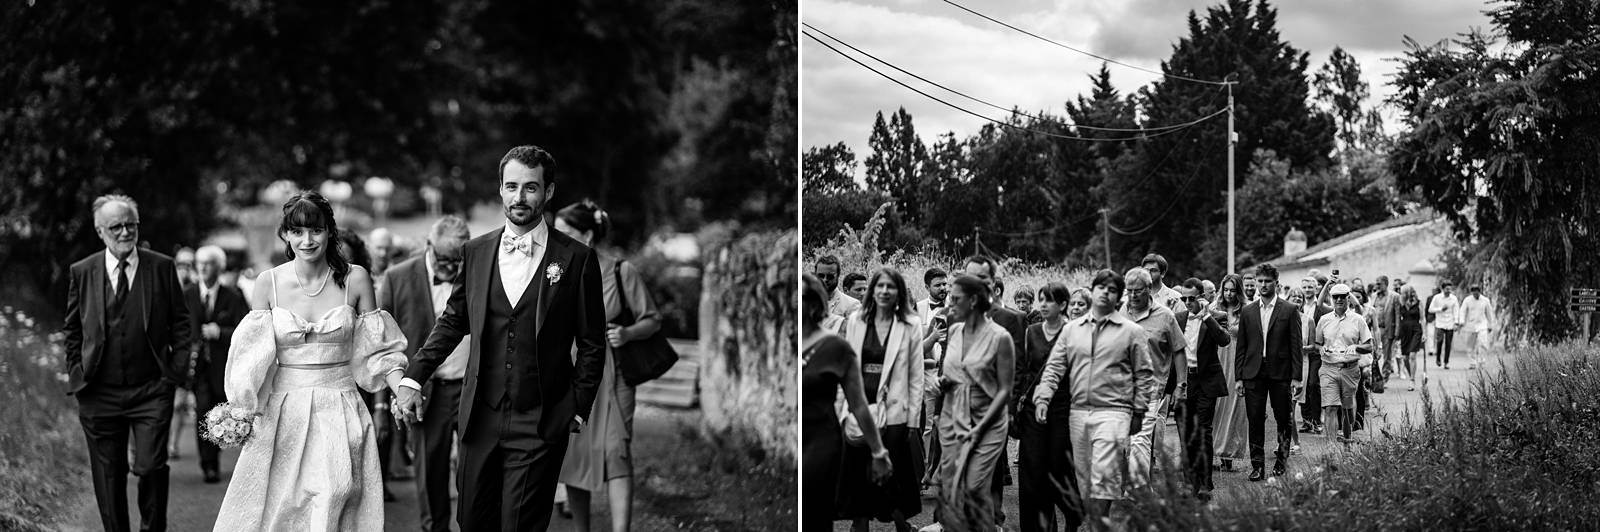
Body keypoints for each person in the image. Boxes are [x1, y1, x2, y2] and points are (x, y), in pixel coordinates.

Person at [393, 145, 608, 531]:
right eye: (511, 187)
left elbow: (592, 341)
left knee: (520, 526)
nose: (519, 197)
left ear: (549, 192)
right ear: (501, 190)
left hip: (540, 419)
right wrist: (413, 376)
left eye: (530, 187)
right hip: (480, 417)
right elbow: (452, 322)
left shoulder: (576, 259)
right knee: (473, 520)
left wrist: (576, 406)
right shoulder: (475, 252)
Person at [213, 191, 409, 530]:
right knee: (285, 507)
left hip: (340, 408)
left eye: (316, 230)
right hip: (283, 413)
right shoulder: (268, 283)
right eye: (298, 231)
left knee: (336, 491)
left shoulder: (356, 278)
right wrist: (240, 410)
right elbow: (251, 357)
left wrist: (402, 389)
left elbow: (377, 350)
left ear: (329, 232)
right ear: (286, 235)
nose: (307, 239)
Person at [63, 195, 192, 532]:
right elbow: (72, 328)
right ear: (100, 231)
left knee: (149, 467)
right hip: (98, 392)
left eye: (130, 225)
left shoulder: (161, 267)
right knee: (108, 476)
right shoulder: (83, 271)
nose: (124, 232)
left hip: (151, 390)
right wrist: (77, 373)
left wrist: (174, 372)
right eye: (116, 227)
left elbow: (181, 322)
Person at [553, 200, 664, 532]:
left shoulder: (620, 271)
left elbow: (653, 319)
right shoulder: (555, 271)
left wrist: (627, 333)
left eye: (565, 234)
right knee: (574, 454)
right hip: (570, 373)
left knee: (617, 451)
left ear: (586, 235)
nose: (557, 241)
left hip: (613, 374)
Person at [1033, 269, 1155, 528]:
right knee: (1085, 480)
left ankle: (1097, 525)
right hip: (1078, 412)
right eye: (1101, 287)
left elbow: (1144, 375)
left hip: (1114, 411)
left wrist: (1139, 411)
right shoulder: (1072, 330)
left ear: (1118, 298)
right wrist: (1043, 397)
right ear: (1093, 290)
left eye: (1112, 290)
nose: (1105, 293)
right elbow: (1055, 366)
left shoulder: (1131, 332)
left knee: (1105, 475)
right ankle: (1095, 521)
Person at [379, 216, 472, 532]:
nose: (451, 267)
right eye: (445, 259)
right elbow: (380, 344)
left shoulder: (479, 271)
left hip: (474, 386)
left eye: (457, 260)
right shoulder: (396, 278)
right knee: (430, 473)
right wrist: (386, 401)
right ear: (429, 246)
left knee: (478, 471)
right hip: (424, 392)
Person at [920, 275, 1015, 532]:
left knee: (974, 486)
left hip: (988, 421)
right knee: (953, 487)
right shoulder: (954, 330)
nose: (950, 305)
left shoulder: (1000, 337)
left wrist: (980, 426)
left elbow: (1005, 389)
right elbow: (950, 372)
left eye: (956, 299)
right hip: (955, 416)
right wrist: (942, 390)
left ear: (974, 301)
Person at [802, 273, 892, 532]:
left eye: (802, 297)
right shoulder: (788, 343)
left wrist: (878, 451)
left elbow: (859, 404)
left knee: (814, 516)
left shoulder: (836, 347)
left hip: (820, 444)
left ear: (815, 302)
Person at [837, 267, 924, 532]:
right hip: (859, 408)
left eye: (891, 287)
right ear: (872, 291)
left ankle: (901, 523)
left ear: (899, 292)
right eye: (880, 286)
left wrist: (913, 421)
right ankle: (859, 524)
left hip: (895, 409)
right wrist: (841, 410)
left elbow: (916, 376)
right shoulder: (856, 322)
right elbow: (846, 368)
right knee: (858, 472)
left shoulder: (911, 325)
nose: (885, 291)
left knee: (892, 471)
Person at [959, 255, 1024, 522]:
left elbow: (1018, 369)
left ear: (992, 283)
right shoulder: (955, 316)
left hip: (993, 408)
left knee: (991, 471)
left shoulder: (1010, 319)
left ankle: (994, 520)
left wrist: (1009, 410)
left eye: (982, 278)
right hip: (959, 407)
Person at [1014, 283, 1082, 532]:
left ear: (1063, 305)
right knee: (1032, 473)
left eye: (1048, 300)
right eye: (1040, 300)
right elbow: (1021, 372)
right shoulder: (1030, 331)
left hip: (1064, 409)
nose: (1042, 305)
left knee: (1058, 468)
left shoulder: (1075, 332)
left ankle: (1074, 513)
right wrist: (1015, 407)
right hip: (1033, 410)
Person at [184, 245, 248, 484]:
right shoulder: (187, 295)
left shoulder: (233, 296)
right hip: (197, 367)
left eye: (208, 263)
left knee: (218, 412)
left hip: (223, 368)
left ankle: (216, 452)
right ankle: (208, 465)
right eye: (199, 263)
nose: (202, 268)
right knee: (202, 410)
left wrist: (219, 332)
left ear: (219, 267)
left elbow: (245, 331)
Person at [1234, 263, 1303, 482]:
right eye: (1260, 281)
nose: (1263, 285)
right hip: (1253, 372)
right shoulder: (1248, 311)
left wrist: (1296, 377)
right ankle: (1257, 466)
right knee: (1255, 419)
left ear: (1276, 283)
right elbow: (1242, 347)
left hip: (1281, 373)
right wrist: (1238, 377)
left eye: (1267, 281)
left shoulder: (1289, 310)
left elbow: (1296, 346)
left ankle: (1281, 461)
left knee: (1283, 418)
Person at [1122, 267, 1186, 491]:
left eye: (1138, 290)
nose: (1132, 295)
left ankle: (1139, 491)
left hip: (1150, 388)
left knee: (1140, 439)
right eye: (1129, 290)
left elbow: (1178, 350)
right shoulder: (1120, 313)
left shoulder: (1165, 316)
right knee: (1125, 441)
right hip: (1120, 388)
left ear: (1149, 289)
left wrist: (1181, 385)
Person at [1174, 278, 1229, 500]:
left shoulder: (1217, 317)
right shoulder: (1178, 319)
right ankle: (1189, 483)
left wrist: (1206, 316)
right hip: (1184, 381)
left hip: (1207, 381)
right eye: (1184, 298)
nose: (1187, 302)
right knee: (1186, 434)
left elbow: (1224, 340)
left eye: (1191, 298)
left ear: (1202, 297)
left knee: (1204, 432)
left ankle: (1206, 483)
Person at [1311, 284, 1372, 444]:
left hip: (1350, 369)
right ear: (1331, 298)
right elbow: (1317, 344)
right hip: (1328, 368)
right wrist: (1321, 348)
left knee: (1347, 409)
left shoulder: (1358, 320)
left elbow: (1369, 345)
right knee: (1330, 408)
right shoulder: (1324, 320)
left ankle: (1347, 440)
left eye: (1342, 296)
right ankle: (1331, 447)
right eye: (1335, 297)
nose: (1338, 299)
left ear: (1348, 298)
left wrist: (1356, 347)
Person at [1210, 274, 1250, 471]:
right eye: (1225, 289)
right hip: (1216, 359)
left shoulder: (1247, 311)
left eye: (1233, 290)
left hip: (1236, 360)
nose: (1228, 293)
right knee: (1215, 408)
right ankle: (1211, 452)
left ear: (1239, 291)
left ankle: (1228, 456)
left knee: (1233, 408)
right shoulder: (1213, 308)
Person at [1393, 286, 1428, 391]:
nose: (1401, 294)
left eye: (1403, 292)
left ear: (1408, 293)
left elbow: (1423, 318)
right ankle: (1411, 375)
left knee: (1412, 355)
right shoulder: (1400, 303)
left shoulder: (1419, 303)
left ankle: (1412, 380)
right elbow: (1398, 318)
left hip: (1416, 330)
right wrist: (1397, 333)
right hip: (1404, 331)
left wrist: (1424, 333)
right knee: (1405, 357)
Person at [1459, 285, 1494, 370]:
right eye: (1473, 292)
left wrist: (1490, 324)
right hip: (1470, 325)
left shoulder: (1485, 300)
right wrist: (1461, 321)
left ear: (1479, 291)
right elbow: (1462, 311)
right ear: (1471, 292)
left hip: (1482, 325)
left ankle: (1482, 362)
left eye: (1477, 292)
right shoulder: (1467, 300)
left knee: (1482, 343)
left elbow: (1489, 313)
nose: (1475, 294)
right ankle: (1472, 363)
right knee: (1470, 345)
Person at [1429, 281, 1461, 369]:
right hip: (1440, 323)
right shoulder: (1437, 297)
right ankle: (1438, 358)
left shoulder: (1454, 298)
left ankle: (1446, 362)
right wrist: (1440, 309)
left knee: (1448, 343)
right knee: (1439, 341)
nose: (1449, 290)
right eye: (1447, 289)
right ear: (1443, 289)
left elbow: (1456, 311)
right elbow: (1430, 309)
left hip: (1450, 323)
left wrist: (1456, 323)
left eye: (1450, 289)